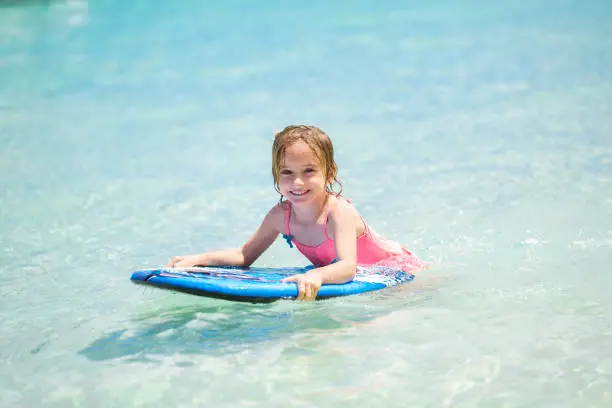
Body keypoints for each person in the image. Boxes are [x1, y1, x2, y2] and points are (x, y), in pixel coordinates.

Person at [167, 125, 425, 301]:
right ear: (276, 175)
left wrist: (316, 275)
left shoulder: (338, 213)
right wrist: (198, 259)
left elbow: (347, 267)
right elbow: (244, 255)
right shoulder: (281, 216)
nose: (297, 183)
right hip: (363, 274)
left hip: (400, 270)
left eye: (309, 171)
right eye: (287, 173)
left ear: (330, 172)